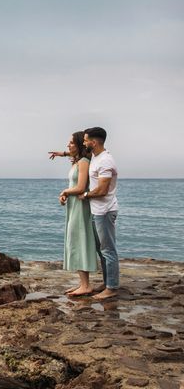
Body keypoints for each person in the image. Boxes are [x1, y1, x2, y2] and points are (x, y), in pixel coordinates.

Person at [50, 132, 98, 296]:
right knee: (75, 241)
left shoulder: (84, 162)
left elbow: (81, 187)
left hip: (80, 206)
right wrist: (65, 195)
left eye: (71, 143)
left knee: (79, 241)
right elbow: (74, 186)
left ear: (79, 145)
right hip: (74, 205)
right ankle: (83, 284)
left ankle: (86, 285)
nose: (67, 146)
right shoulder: (77, 161)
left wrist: (65, 191)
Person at [78, 127, 119, 300]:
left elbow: (102, 190)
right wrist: (63, 153)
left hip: (105, 211)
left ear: (93, 142)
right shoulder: (96, 157)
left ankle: (112, 287)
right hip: (97, 211)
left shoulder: (106, 161)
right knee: (101, 250)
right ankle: (106, 282)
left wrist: (86, 195)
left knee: (108, 250)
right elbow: (79, 155)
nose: (84, 143)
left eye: (86, 140)